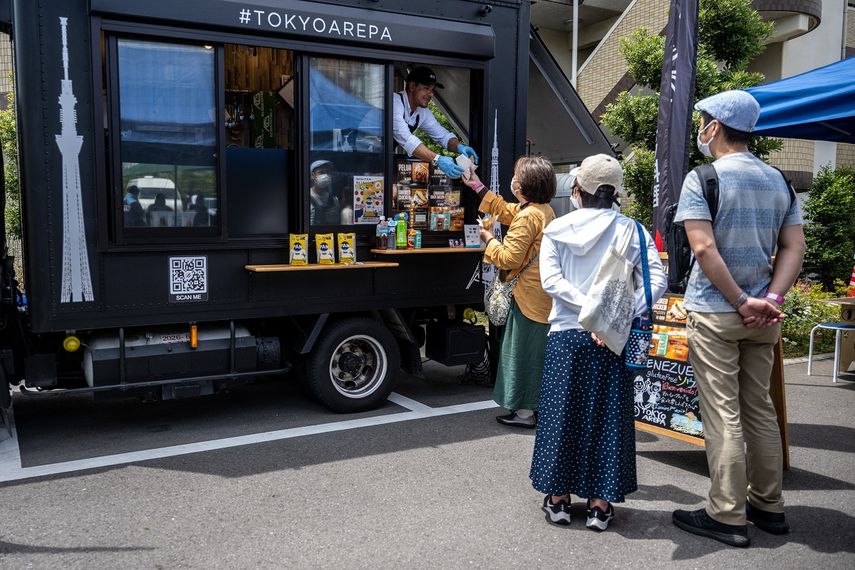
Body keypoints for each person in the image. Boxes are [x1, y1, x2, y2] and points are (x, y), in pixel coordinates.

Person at [671, 90, 805, 547]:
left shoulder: (703, 177)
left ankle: (726, 514)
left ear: (714, 127)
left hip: (716, 311)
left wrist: (740, 300)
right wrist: (768, 297)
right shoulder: (778, 180)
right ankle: (768, 506)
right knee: (760, 410)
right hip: (764, 318)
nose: (701, 130)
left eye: (704, 122)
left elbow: (703, 248)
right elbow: (794, 247)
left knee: (723, 413)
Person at [530, 154, 666, 531]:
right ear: (615, 192)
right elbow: (658, 283)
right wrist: (612, 315)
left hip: (565, 335)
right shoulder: (633, 230)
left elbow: (551, 283)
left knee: (561, 416)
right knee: (607, 418)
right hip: (612, 338)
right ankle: (599, 505)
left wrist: (590, 310)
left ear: (578, 190)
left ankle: (558, 500)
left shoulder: (556, 230)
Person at [463, 157, 556, 428]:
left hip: (527, 295)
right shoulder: (541, 210)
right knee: (533, 352)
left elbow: (509, 258)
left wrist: (488, 239)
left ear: (525, 183)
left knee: (522, 352)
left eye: (516, 175)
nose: (512, 179)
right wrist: (477, 185)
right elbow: (504, 209)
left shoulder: (528, 216)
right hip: (539, 295)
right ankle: (533, 409)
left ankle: (525, 413)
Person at [393, 66, 478, 179]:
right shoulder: (394, 102)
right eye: (426, 88)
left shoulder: (422, 112)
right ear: (412, 86)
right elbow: (407, 139)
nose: (431, 94)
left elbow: (443, 136)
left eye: (432, 90)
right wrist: (437, 159)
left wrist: (459, 147)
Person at [309, 160, 341, 225]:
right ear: (312, 175)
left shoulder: (333, 199)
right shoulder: (305, 197)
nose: (326, 175)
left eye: (327, 172)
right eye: (321, 172)